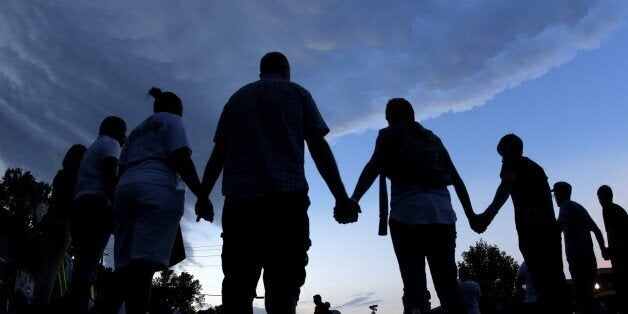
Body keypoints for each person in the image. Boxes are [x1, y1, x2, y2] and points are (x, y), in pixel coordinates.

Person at [198, 52, 359, 314]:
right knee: (284, 286)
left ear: (261, 71)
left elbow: (219, 154)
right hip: (286, 204)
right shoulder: (298, 94)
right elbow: (318, 147)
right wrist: (341, 198)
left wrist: (204, 196)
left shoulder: (237, 99)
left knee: (238, 283)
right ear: (286, 70)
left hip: (240, 206)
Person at [351, 98, 475, 314]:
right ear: (413, 115)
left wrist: (353, 200)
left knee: (413, 283)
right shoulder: (433, 138)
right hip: (443, 214)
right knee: (447, 283)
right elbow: (456, 178)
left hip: (406, 215)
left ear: (389, 117)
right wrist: (472, 215)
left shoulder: (388, 135)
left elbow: (373, 167)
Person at [112, 87, 212, 314]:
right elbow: (181, 158)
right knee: (143, 265)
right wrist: (202, 195)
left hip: (125, 189)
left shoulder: (137, 130)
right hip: (154, 189)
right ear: (177, 108)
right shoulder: (173, 121)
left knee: (124, 265)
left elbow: (121, 168)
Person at [473, 134, 569, 313]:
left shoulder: (513, 163)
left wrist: (487, 216)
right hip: (550, 233)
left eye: (502, 155)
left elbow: (505, 187)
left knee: (543, 286)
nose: (501, 161)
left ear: (509, 152)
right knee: (556, 283)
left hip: (533, 232)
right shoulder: (536, 168)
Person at [70, 116, 126, 313]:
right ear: (116, 131)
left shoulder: (93, 148)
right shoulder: (111, 144)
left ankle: (75, 306)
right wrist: (118, 208)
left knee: (81, 267)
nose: (125, 137)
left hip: (79, 207)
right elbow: (110, 177)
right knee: (88, 268)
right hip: (95, 207)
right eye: (123, 132)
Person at [33, 144, 86, 312]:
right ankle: (42, 303)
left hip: (51, 219)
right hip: (64, 223)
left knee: (45, 266)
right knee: (52, 268)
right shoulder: (79, 178)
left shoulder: (60, 175)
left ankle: (37, 300)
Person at [553, 181, 607, 314]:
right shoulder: (580, 208)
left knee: (582, 296)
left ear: (559, 194)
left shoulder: (565, 206)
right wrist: (603, 249)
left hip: (578, 257)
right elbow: (597, 230)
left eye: (555, 195)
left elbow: (559, 225)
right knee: (588, 294)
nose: (555, 198)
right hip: (589, 256)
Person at [597, 185, 628, 313]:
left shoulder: (607, 209)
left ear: (600, 198)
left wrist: (609, 250)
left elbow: (613, 233)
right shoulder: (620, 210)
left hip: (620, 256)